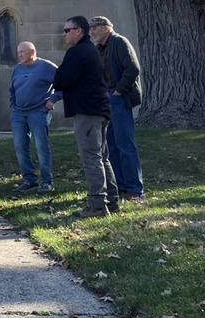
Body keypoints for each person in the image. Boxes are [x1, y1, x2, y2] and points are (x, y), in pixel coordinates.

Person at [50, 16, 119, 218]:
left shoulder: (78, 52)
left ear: (79, 30)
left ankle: (98, 204)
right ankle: (112, 201)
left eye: (67, 30)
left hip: (88, 111)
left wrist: (59, 75)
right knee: (102, 156)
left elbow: (61, 79)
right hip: (99, 109)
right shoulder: (89, 50)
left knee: (91, 156)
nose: (64, 35)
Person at [89, 16, 145, 202]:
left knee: (125, 144)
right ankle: (121, 187)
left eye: (95, 28)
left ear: (106, 28)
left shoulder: (119, 42)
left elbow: (133, 68)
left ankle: (135, 190)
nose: (92, 32)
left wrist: (119, 91)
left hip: (119, 100)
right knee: (111, 146)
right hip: (106, 102)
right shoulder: (99, 49)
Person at [9, 41, 61, 194]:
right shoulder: (17, 69)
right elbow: (12, 89)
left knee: (41, 146)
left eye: (22, 52)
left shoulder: (46, 66)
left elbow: (64, 84)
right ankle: (29, 180)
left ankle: (47, 182)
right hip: (19, 113)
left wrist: (53, 99)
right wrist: (12, 104)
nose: (19, 55)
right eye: (18, 52)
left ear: (32, 52)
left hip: (38, 112)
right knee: (20, 146)